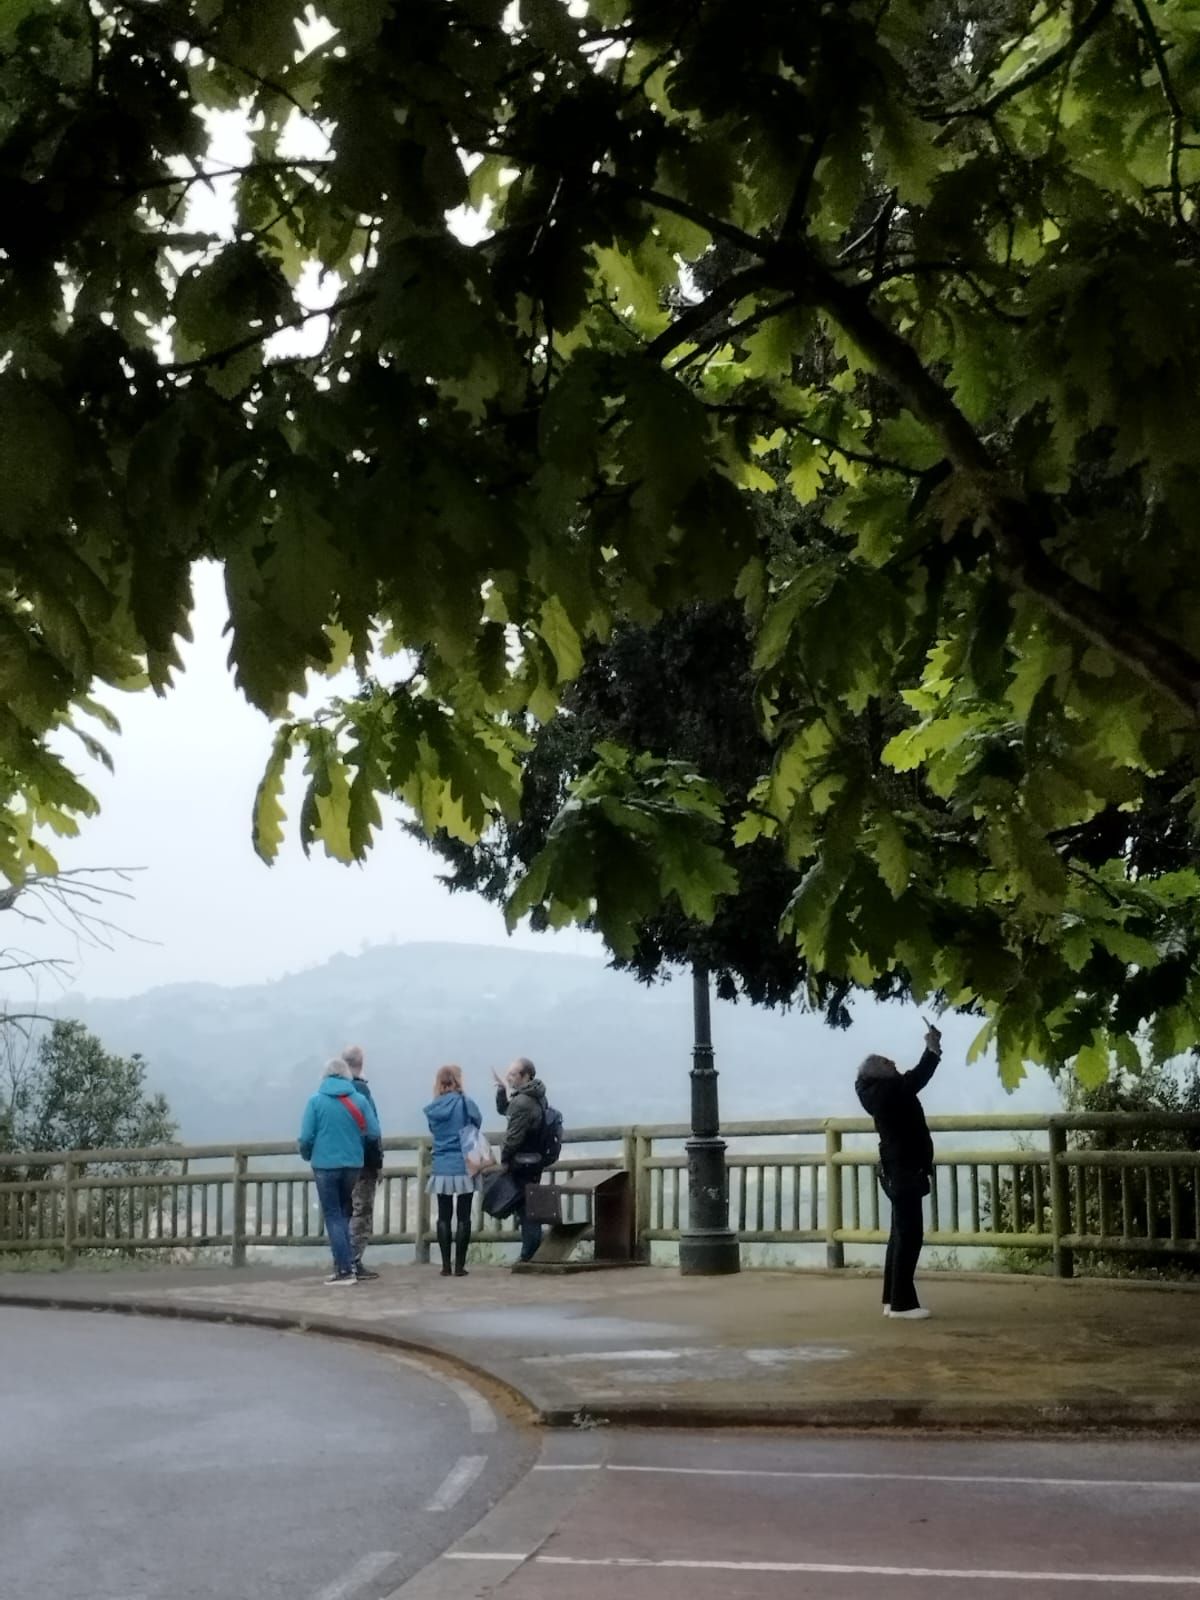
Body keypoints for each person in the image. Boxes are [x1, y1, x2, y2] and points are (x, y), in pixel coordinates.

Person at [855, 1021, 943, 1320]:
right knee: (910, 1235)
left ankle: (892, 1300)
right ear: (874, 1073)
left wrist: (931, 1049)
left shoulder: (880, 1092)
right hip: (903, 1169)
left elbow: (911, 1079)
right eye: (884, 1061)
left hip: (897, 1168)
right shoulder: (888, 1093)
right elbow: (917, 1078)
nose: (892, 1062)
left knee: (899, 1235)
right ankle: (903, 1304)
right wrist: (932, 1049)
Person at [299, 1057, 381, 1286]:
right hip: (353, 1165)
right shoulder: (360, 1100)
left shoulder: (315, 1101)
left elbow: (305, 1137)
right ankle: (346, 1266)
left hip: (324, 1165)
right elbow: (373, 1132)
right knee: (345, 1214)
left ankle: (344, 1270)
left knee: (333, 1215)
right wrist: (356, 1144)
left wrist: (308, 1155)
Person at [424, 1065, 484, 1277]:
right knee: (464, 1216)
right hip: (465, 1163)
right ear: (458, 1081)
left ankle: (445, 1266)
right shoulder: (465, 1103)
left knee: (443, 1216)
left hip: (441, 1164)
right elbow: (477, 1121)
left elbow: (433, 1130)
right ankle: (459, 1266)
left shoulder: (433, 1108)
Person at [493, 1057, 548, 1265]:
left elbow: (513, 1137)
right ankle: (531, 1252)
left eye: (513, 1074)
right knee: (528, 1205)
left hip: (522, 1162)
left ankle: (529, 1255)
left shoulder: (523, 1101)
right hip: (534, 1160)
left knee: (526, 1209)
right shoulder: (536, 1096)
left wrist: (504, 1158)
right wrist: (501, 1090)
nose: (509, 1078)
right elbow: (507, 1110)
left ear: (526, 1076)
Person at [342, 1044, 383, 1282]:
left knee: (344, 1211)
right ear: (362, 1062)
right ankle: (354, 1261)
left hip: (336, 1162)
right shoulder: (361, 1092)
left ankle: (342, 1260)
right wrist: (377, 1162)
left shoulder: (331, 1091)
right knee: (361, 1211)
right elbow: (372, 1128)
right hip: (362, 1162)